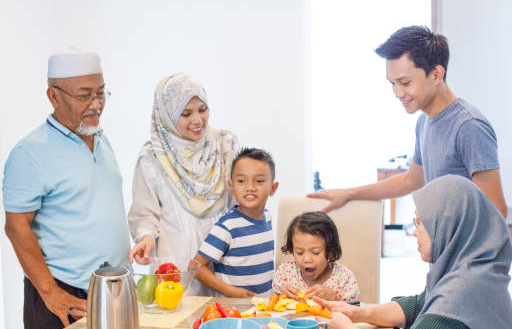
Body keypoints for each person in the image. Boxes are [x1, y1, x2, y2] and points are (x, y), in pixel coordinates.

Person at [314, 175, 512, 329]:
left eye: (420, 223)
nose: (415, 232)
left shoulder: (466, 290)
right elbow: (419, 305)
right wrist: (359, 313)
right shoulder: (470, 270)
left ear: (448, 224)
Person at [308, 25, 508, 218]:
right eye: (392, 84)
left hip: (463, 253)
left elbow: (497, 211)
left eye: (405, 83)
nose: (398, 93)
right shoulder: (424, 122)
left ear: (437, 74)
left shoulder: (468, 126)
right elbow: (411, 180)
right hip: (440, 251)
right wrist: (349, 193)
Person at [3, 51, 130, 329]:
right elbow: (15, 226)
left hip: (112, 290)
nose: (96, 104)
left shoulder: (101, 139)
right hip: (64, 296)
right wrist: (51, 294)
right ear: (54, 96)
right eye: (85, 96)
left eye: (101, 93)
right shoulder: (29, 153)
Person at [127, 73, 238, 295]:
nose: (197, 120)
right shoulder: (152, 158)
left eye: (202, 109)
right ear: (167, 116)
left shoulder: (225, 144)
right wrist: (146, 237)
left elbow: (238, 202)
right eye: (186, 114)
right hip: (176, 263)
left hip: (224, 260)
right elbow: (145, 213)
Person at [193, 148, 279, 297]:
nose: (250, 188)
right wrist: (230, 291)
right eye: (241, 181)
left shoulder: (268, 218)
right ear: (232, 187)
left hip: (263, 310)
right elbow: (195, 266)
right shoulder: (227, 227)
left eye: (259, 181)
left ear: (273, 188)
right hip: (234, 312)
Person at [273, 211, 359, 302]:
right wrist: (280, 296)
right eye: (299, 252)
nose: (307, 260)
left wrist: (335, 299)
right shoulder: (285, 272)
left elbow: (355, 312)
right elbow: (272, 306)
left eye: (315, 252)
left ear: (330, 251)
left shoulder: (344, 278)